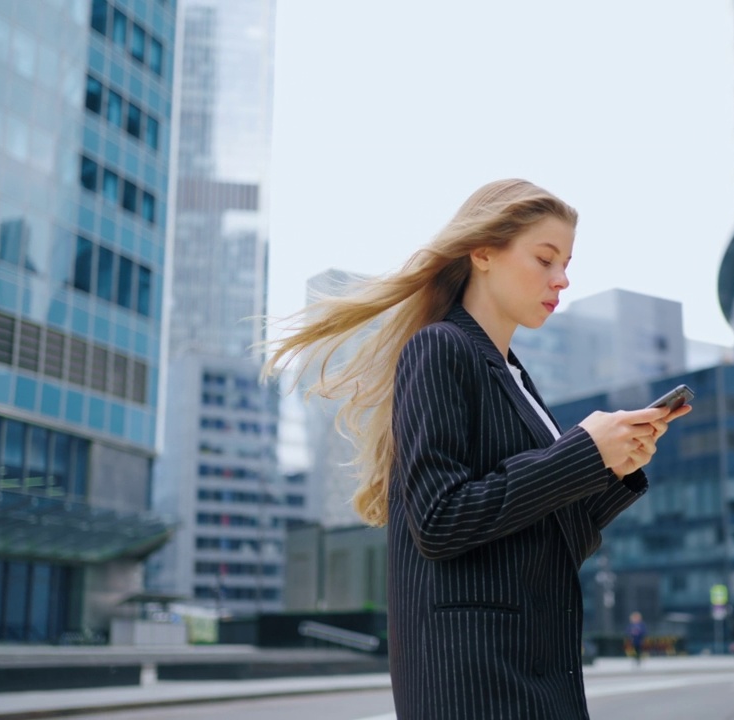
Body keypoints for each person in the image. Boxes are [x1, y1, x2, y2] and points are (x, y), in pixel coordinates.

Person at [264, 179, 690, 720]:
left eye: (566, 263)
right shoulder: (441, 348)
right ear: (483, 251)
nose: (562, 279)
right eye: (545, 258)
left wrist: (611, 469)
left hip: (536, 669)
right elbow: (440, 520)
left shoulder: (517, 381)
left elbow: (546, 542)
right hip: (475, 680)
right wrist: (582, 452)